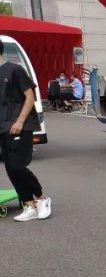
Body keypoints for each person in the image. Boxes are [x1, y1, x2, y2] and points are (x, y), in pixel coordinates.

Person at [0, 45, 50, 222]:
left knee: (17, 166)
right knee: (10, 169)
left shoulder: (15, 69)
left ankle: (42, 199)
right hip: (3, 127)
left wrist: (20, 121)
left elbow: (30, 97)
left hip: (20, 125)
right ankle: (29, 205)